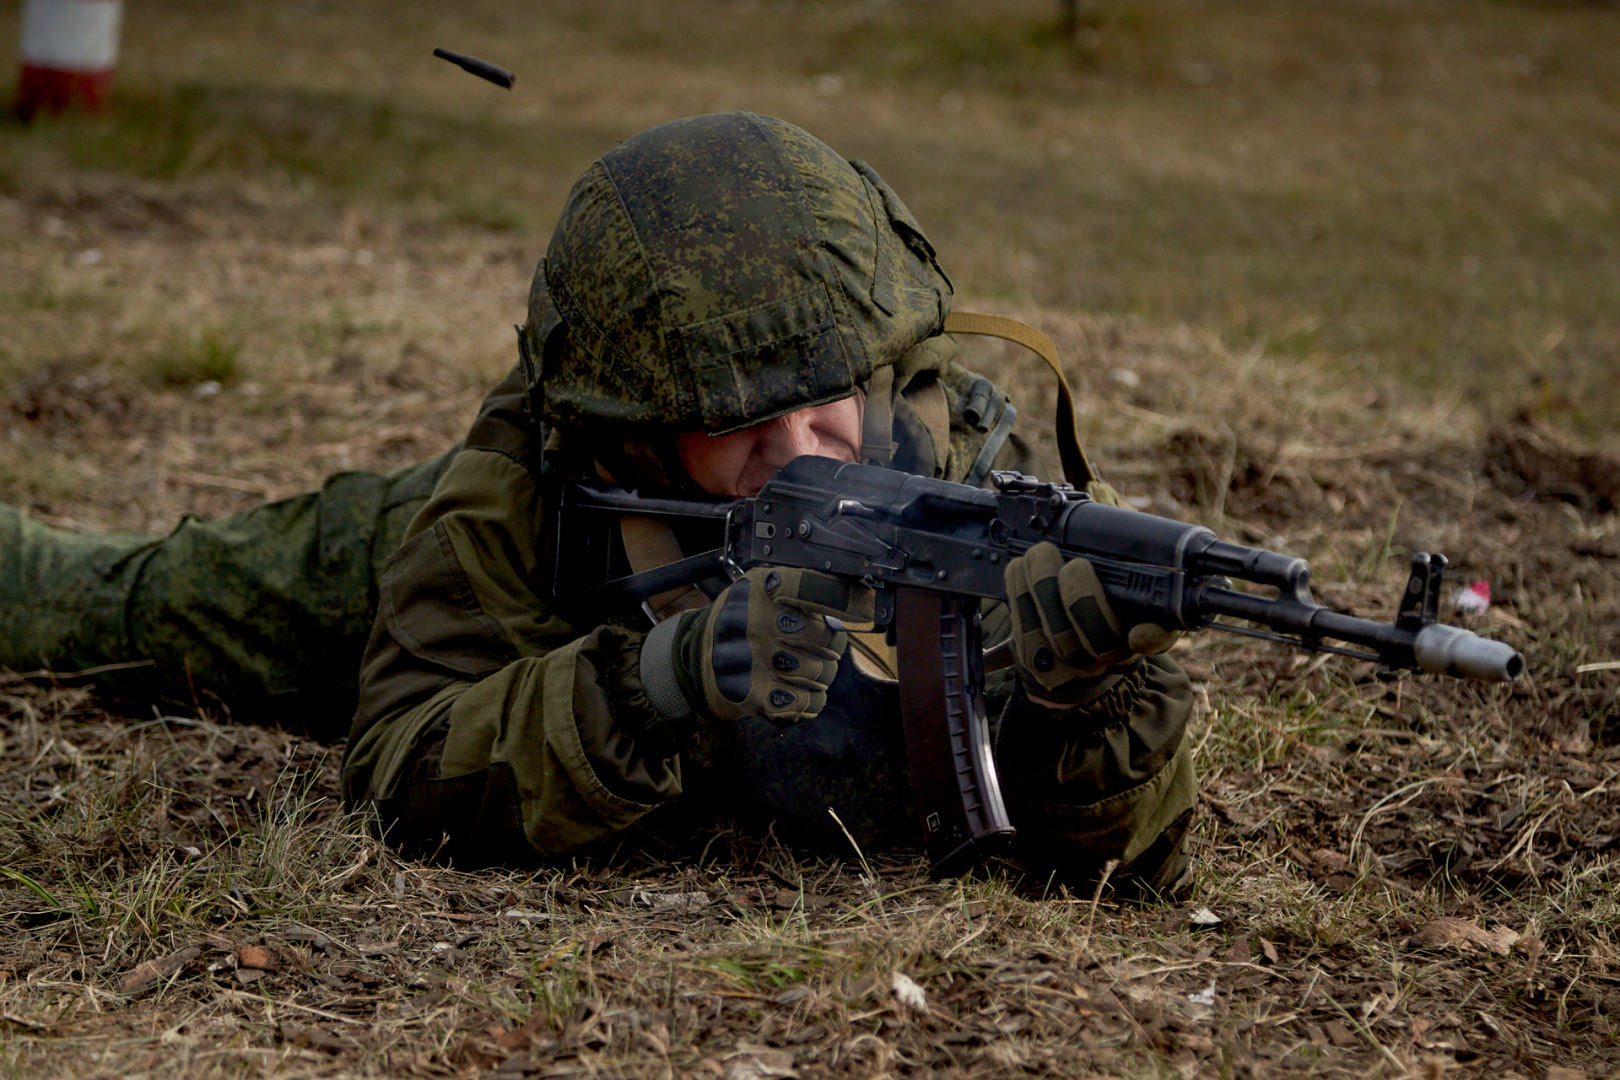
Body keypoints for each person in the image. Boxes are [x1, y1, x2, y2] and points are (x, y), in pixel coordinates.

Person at [0, 113, 1196, 896]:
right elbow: (404, 761)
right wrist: (658, 681)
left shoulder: (965, 469)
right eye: (736, 417)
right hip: (413, 583)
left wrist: (1083, 699)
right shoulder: (519, 499)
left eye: (823, 399)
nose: (797, 450)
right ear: (632, 418)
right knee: (109, 604)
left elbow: (1126, 865)